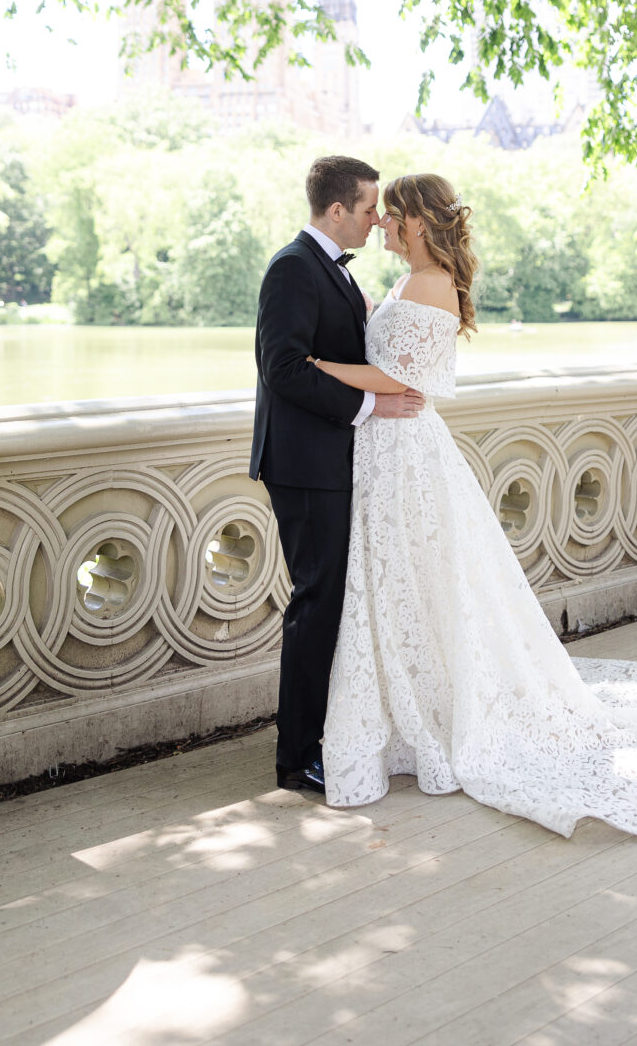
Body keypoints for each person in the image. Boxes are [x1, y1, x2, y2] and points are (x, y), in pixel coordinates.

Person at [310, 172, 637, 841]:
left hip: (405, 451)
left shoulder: (428, 283)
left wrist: (315, 369)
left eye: (391, 214)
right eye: (376, 213)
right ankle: (407, 708)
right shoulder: (405, 282)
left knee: (420, 578)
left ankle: (435, 714)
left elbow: (400, 380)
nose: (382, 223)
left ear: (417, 221)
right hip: (388, 449)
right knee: (405, 584)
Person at [250, 155, 425, 796]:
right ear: (336, 211)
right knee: (316, 605)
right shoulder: (293, 268)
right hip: (303, 464)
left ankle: (326, 736)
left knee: (330, 604)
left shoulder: (335, 273)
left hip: (331, 460)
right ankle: (296, 759)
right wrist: (374, 405)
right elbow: (285, 369)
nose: (378, 217)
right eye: (370, 206)